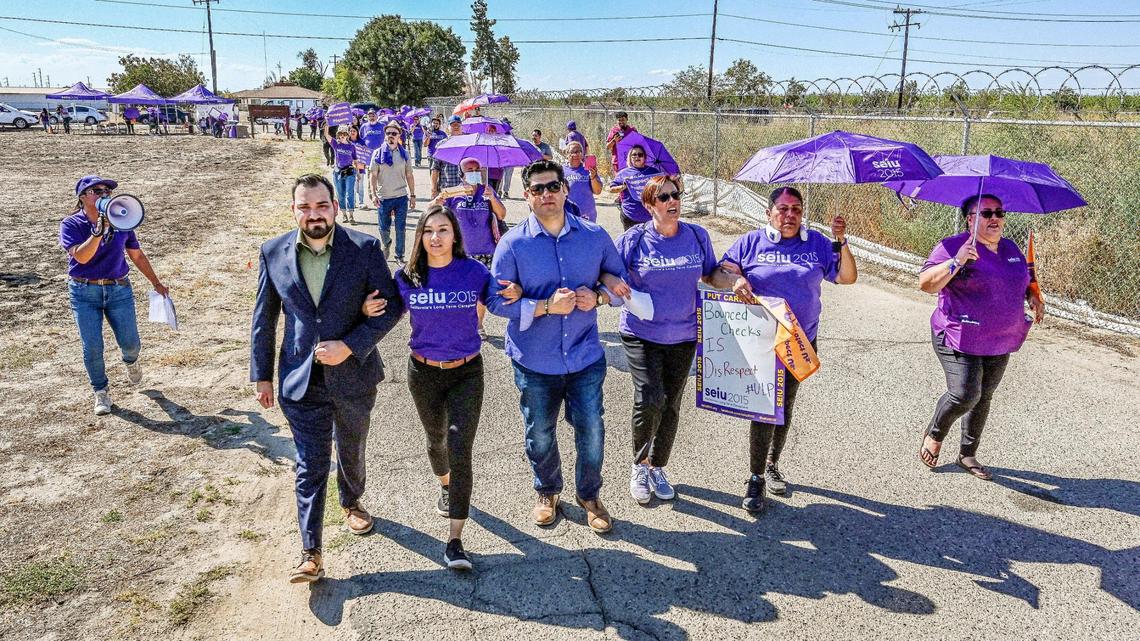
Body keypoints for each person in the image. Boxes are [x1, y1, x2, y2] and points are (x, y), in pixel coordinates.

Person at [250, 174, 404, 584]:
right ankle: (311, 552)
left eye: (321, 206)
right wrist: (262, 376)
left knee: (350, 447)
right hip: (300, 379)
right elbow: (263, 319)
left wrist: (351, 344)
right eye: (305, 207)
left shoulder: (365, 248)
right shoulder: (273, 252)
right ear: (294, 209)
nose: (314, 214)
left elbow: (391, 308)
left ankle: (352, 501)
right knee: (310, 463)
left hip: (353, 375)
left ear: (335, 206)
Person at [486, 159, 631, 534]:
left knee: (591, 430)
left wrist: (598, 297)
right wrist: (545, 306)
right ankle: (547, 491)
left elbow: (619, 282)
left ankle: (590, 496)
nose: (547, 194)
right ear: (526, 195)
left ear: (566, 190)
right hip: (535, 360)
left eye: (553, 187)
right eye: (538, 189)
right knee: (540, 432)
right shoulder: (513, 243)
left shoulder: (595, 236)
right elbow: (497, 302)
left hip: (585, 356)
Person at [366, 205, 513, 570]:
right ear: (420, 237)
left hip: (467, 372)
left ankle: (455, 541)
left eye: (443, 230)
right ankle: (445, 484)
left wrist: (515, 295)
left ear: (454, 235)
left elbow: (496, 302)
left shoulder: (473, 271)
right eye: (428, 230)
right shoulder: (409, 276)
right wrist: (365, 310)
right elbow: (387, 313)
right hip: (423, 373)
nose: (436, 237)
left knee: (460, 446)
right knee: (436, 440)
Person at [709, 186, 857, 512]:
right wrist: (735, 281)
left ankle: (773, 463)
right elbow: (717, 274)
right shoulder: (751, 242)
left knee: (784, 405)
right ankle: (755, 477)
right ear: (768, 212)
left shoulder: (817, 243)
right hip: (760, 339)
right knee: (765, 408)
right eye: (783, 209)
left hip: (798, 341)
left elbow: (846, 278)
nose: (790, 215)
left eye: (796, 210)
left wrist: (841, 241)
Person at [917, 194, 1043, 481]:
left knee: (984, 395)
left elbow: (1020, 282)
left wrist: (1033, 297)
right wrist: (957, 261)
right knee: (965, 394)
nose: (995, 218)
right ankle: (935, 433)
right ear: (970, 219)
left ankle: (967, 454)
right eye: (987, 214)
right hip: (958, 335)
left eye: (999, 212)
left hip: (1000, 337)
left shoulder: (1011, 249)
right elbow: (925, 284)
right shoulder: (952, 246)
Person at [613, 176, 719, 504]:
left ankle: (658, 466)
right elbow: (608, 273)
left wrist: (736, 282)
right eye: (663, 198)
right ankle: (639, 465)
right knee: (649, 397)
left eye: (675, 195)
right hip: (641, 332)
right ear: (649, 206)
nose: (672, 201)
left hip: (684, 334)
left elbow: (712, 273)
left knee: (671, 403)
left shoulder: (697, 236)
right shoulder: (634, 239)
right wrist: (611, 287)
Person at [60, 176, 169, 415]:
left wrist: (156, 282)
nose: (104, 194)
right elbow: (81, 257)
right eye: (96, 190)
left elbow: (137, 255)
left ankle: (131, 360)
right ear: (82, 196)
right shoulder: (71, 224)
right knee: (93, 347)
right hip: (83, 291)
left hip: (118, 289)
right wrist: (98, 232)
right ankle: (101, 392)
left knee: (131, 343)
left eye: (107, 190)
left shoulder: (122, 220)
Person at [436, 157, 507, 338]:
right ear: (462, 173)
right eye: (470, 169)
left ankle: (478, 324)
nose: (474, 172)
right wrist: (438, 201)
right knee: (459, 292)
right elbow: (436, 215)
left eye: (477, 169)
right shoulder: (453, 194)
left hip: (486, 250)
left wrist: (492, 198)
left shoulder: (487, 191)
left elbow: (502, 214)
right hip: (460, 252)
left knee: (480, 293)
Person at [369, 123, 416, 264]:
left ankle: (399, 255)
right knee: (383, 228)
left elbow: (409, 175)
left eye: (394, 133)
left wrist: (413, 195)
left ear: (398, 136)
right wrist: (373, 194)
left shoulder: (404, 154)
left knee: (400, 228)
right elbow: (373, 175)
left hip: (401, 196)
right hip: (383, 197)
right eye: (388, 133)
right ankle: (386, 242)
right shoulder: (377, 153)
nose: (390, 135)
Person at [609, 145, 676, 230]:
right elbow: (611, 189)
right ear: (630, 157)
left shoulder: (654, 172)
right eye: (634, 155)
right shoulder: (623, 173)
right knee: (632, 242)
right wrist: (623, 186)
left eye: (640, 154)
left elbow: (663, 187)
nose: (637, 156)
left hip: (650, 215)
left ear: (644, 157)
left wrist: (673, 179)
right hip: (630, 215)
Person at [324, 123, 359, 224]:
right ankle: (344, 215)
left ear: (347, 135)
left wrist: (358, 173)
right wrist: (327, 124)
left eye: (344, 134)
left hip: (350, 172)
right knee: (341, 194)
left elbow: (355, 159)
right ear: (338, 135)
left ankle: (351, 215)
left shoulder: (352, 146)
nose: (342, 136)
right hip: (338, 172)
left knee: (350, 193)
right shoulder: (336, 144)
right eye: (340, 134)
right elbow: (326, 135)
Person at [562, 141, 602, 222]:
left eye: (580, 151)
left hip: (587, 215)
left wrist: (593, 177)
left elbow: (597, 191)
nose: (577, 154)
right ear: (567, 154)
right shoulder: (561, 170)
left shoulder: (588, 169)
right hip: (568, 214)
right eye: (574, 152)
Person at [430, 116, 465, 199]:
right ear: (448, 128)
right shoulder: (442, 145)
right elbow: (435, 169)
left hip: (465, 190)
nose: (456, 127)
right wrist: (434, 189)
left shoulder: (468, 144)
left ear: (462, 127)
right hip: (447, 189)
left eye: (458, 125)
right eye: (453, 125)